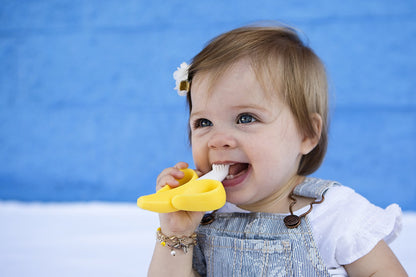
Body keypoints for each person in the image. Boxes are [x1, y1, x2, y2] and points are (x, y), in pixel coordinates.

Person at [147, 24, 407, 276]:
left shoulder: (334, 215)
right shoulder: (201, 217)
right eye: (204, 123)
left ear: (307, 133)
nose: (218, 140)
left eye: (246, 118)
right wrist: (176, 234)